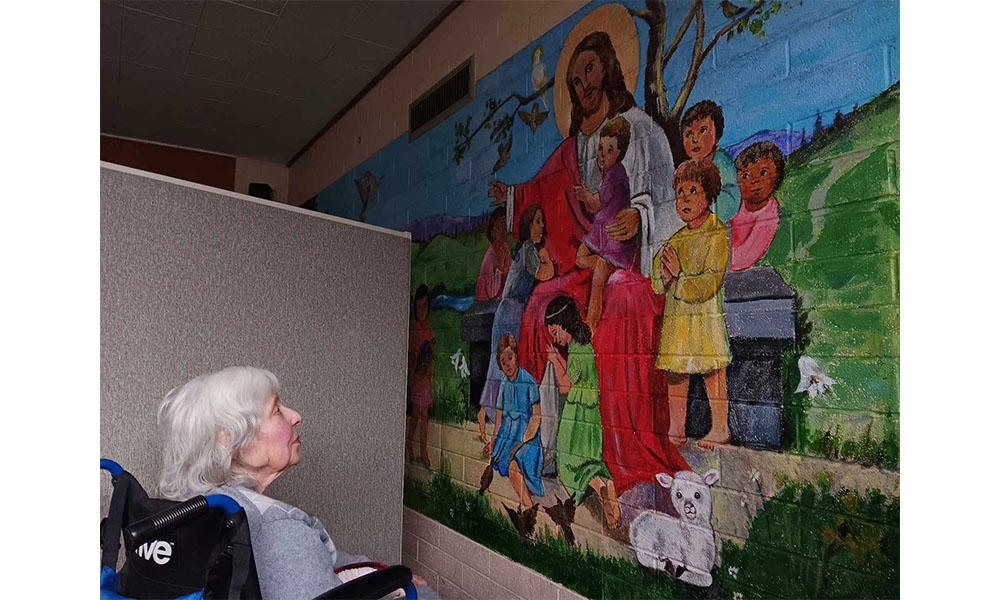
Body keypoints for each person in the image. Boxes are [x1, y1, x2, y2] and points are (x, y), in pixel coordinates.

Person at [488, 30, 690, 496]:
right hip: (584, 267)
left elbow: (668, 202)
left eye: (591, 72)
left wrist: (638, 221)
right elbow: (540, 190)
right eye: (575, 81)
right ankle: (547, 443)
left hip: (632, 263)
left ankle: (622, 449)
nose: (584, 87)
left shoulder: (639, 129)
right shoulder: (572, 148)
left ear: (611, 71)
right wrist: (512, 196)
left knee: (622, 295)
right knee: (539, 302)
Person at [156, 366, 433, 599]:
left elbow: (321, 560)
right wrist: (399, 583)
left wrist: (382, 571)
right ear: (232, 441)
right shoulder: (280, 529)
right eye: (277, 410)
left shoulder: (204, 508)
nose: (296, 416)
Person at [652, 160, 732, 450]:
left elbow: (711, 281)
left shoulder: (717, 233)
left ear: (709, 195)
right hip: (678, 322)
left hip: (705, 320)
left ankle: (720, 426)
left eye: (693, 190)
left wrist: (679, 278)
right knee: (676, 372)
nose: (684, 198)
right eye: (679, 192)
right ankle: (677, 427)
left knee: (712, 370)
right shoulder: (676, 239)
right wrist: (664, 274)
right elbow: (656, 277)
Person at [477, 204, 554, 448]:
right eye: (538, 222)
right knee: (504, 364)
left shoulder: (524, 250)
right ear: (528, 226)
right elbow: (545, 274)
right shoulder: (529, 250)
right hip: (511, 312)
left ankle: (485, 413)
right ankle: (491, 415)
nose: (542, 227)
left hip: (508, 311)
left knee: (497, 363)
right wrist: (548, 259)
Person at [544, 295, 620, 529]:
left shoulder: (576, 349)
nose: (556, 340)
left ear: (565, 323)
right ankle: (609, 492)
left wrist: (555, 361)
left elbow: (566, 385)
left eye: (555, 333)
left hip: (576, 413)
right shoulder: (583, 344)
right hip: (591, 412)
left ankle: (599, 486)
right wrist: (560, 359)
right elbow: (576, 375)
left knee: (568, 462)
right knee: (590, 458)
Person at [575, 116, 637, 332]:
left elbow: (595, 204)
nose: (602, 154)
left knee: (599, 274)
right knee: (580, 257)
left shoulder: (616, 175)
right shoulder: (609, 175)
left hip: (614, 241)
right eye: (601, 148)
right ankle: (603, 263)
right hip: (602, 234)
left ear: (619, 154)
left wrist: (585, 196)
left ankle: (591, 324)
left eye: (609, 150)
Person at [486, 333, 544, 516]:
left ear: (516, 357)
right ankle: (527, 506)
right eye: (503, 362)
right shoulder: (504, 384)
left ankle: (527, 507)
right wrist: (493, 442)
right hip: (508, 438)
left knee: (514, 467)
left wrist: (525, 439)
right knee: (501, 460)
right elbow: (500, 419)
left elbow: (537, 416)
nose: (508, 364)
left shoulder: (528, 382)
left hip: (528, 438)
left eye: (510, 358)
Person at [680, 99, 741, 223]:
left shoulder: (722, 162)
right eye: (689, 134)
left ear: (717, 136)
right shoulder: (686, 169)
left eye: (702, 131)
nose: (695, 139)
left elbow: (731, 199)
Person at [730, 141, 785, 271]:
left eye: (763, 172)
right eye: (745, 176)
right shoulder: (734, 203)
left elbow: (745, 258)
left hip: (736, 271)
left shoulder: (769, 211)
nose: (754, 180)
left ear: (777, 175)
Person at [407, 284, 435, 466]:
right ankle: (410, 442)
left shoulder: (429, 330)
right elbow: (412, 354)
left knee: (425, 416)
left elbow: (432, 352)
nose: (422, 310)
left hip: (426, 380)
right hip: (418, 378)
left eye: (425, 306)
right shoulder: (415, 330)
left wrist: (430, 371)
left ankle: (423, 449)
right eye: (419, 307)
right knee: (417, 413)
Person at [474, 207, 512, 301]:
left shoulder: (504, 248)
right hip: (485, 305)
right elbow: (491, 293)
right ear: (492, 233)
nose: (503, 231)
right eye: (498, 228)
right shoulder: (490, 256)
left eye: (504, 225)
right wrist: (499, 267)